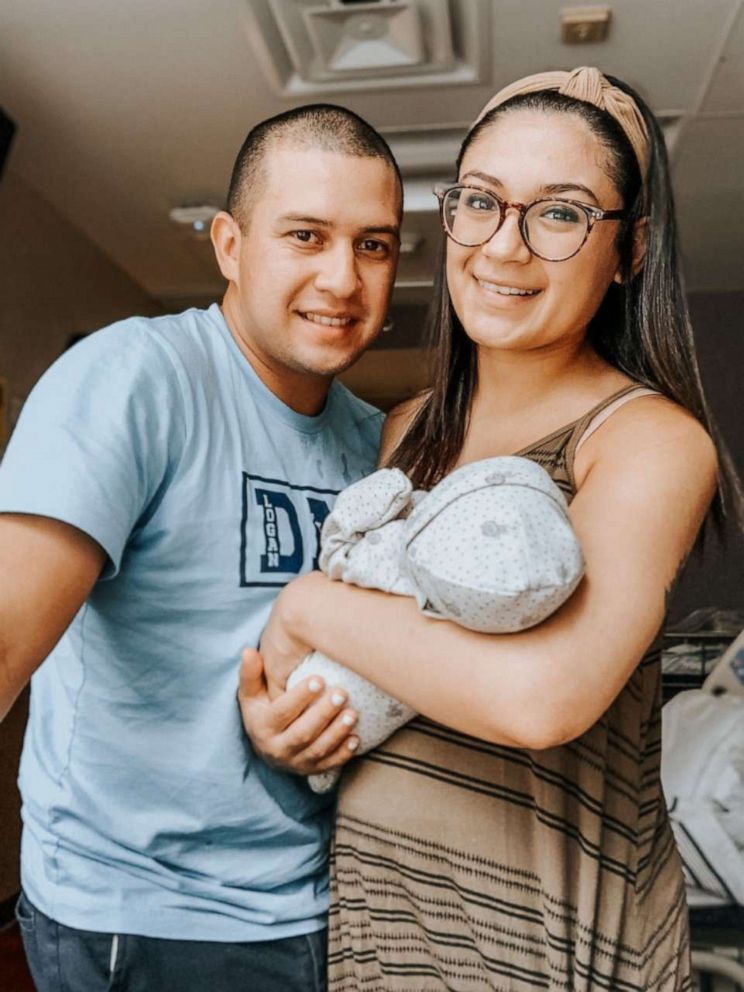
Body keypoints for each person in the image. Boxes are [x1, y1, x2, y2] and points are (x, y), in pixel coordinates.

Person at [240, 68, 741, 990]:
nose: (502, 248)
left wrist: (311, 605)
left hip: (550, 956)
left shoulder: (645, 441)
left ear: (628, 249)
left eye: (559, 214)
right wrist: (290, 728)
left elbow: (539, 698)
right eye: (480, 202)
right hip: (384, 937)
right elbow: (375, 680)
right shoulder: (399, 432)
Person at [0, 104, 402, 991]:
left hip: (320, 905)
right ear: (229, 244)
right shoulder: (132, 379)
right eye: (307, 235)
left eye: (374, 245)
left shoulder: (374, 447)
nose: (343, 277)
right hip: (141, 916)